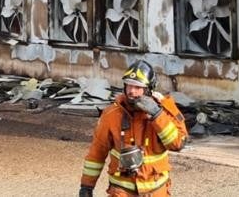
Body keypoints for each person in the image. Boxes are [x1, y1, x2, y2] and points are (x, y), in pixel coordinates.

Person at [79, 60, 188, 196]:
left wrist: (157, 115)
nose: (131, 91)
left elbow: (177, 143)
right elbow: (96, 153)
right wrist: (86, 187)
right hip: (122, 192)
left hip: (155, 192)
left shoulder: (165, 110)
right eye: (129, 86)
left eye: (137, 87)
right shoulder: (111, 115)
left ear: (149, 89)